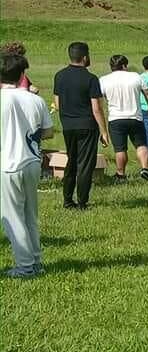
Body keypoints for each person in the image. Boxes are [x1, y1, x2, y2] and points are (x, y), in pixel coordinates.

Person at [1, 50, 53, 277]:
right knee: (30, 215)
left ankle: (24, 266)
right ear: (22, 74)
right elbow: (49, 132)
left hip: (8, 164)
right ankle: (35, 260)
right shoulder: (36, 99)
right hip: (32, 161)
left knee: (12, 217)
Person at [52, 41, 109, 210]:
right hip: (87, 125)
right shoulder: (91, 79)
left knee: (72, 161)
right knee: (85, 164)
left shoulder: (59, 76)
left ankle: (68, 200)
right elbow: (96, 108)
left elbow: (57, 103)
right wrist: (103, 131)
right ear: (85, 57)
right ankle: (82, 202)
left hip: (68, 126)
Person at [100, 55, 148, 182]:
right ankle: (145, 169)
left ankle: (120, 173)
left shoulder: (104, 80)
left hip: (115, 119)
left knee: (120, 149)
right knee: (141, 145)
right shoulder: (135, 76)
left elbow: (99, 99)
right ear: (125, 66)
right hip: (135, 117)